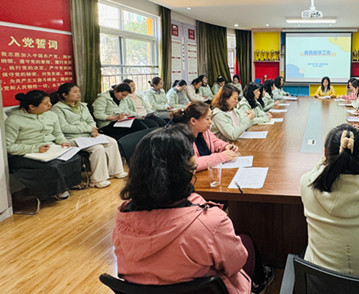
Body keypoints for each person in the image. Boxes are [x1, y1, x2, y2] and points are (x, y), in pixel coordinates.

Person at [112, 125, 274, 293]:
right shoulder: (210, 222)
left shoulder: (123, 220)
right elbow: (236, 263)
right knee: (246, 242)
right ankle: (260, 283)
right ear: (185, 169)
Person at [300, 124, 359, 279]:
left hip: (320, 285)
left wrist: (324, 162)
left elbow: (314, 173)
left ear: (325, 153)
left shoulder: (308, 184)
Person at [5, 90, 81, 200]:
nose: (50, 105)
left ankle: (66, 185)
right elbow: (8, 147)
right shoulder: (13, 120)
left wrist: (63, 142)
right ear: (32, 107)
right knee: (52, 166)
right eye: (46, 103)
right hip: (23, 154)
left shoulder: (51, 115)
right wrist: (35, 149)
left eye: (49, 102)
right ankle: (56, 191)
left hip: (49, 149)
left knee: (74, 157)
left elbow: (57, 133)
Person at [52, 83, 127, 188]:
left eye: (78, 91)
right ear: (64, 95)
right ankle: (97, 180)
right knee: (97, 148)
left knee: (112, 142)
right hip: (72, 138)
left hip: (88, 135)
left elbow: (90, 120)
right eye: (75, 92)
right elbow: (64, 127)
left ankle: (115, 171)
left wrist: (94, 131)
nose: (78, 94)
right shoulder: (57, 108)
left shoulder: (82, 106)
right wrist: (88, 129)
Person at [170, 102, 240, 171]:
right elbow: (192, 164)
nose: (210, 122)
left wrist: (225, 146)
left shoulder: (203, 130)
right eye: (207, 119)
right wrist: (222, 156)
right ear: (193, 121)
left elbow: (214, 141)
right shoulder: (180, 138)